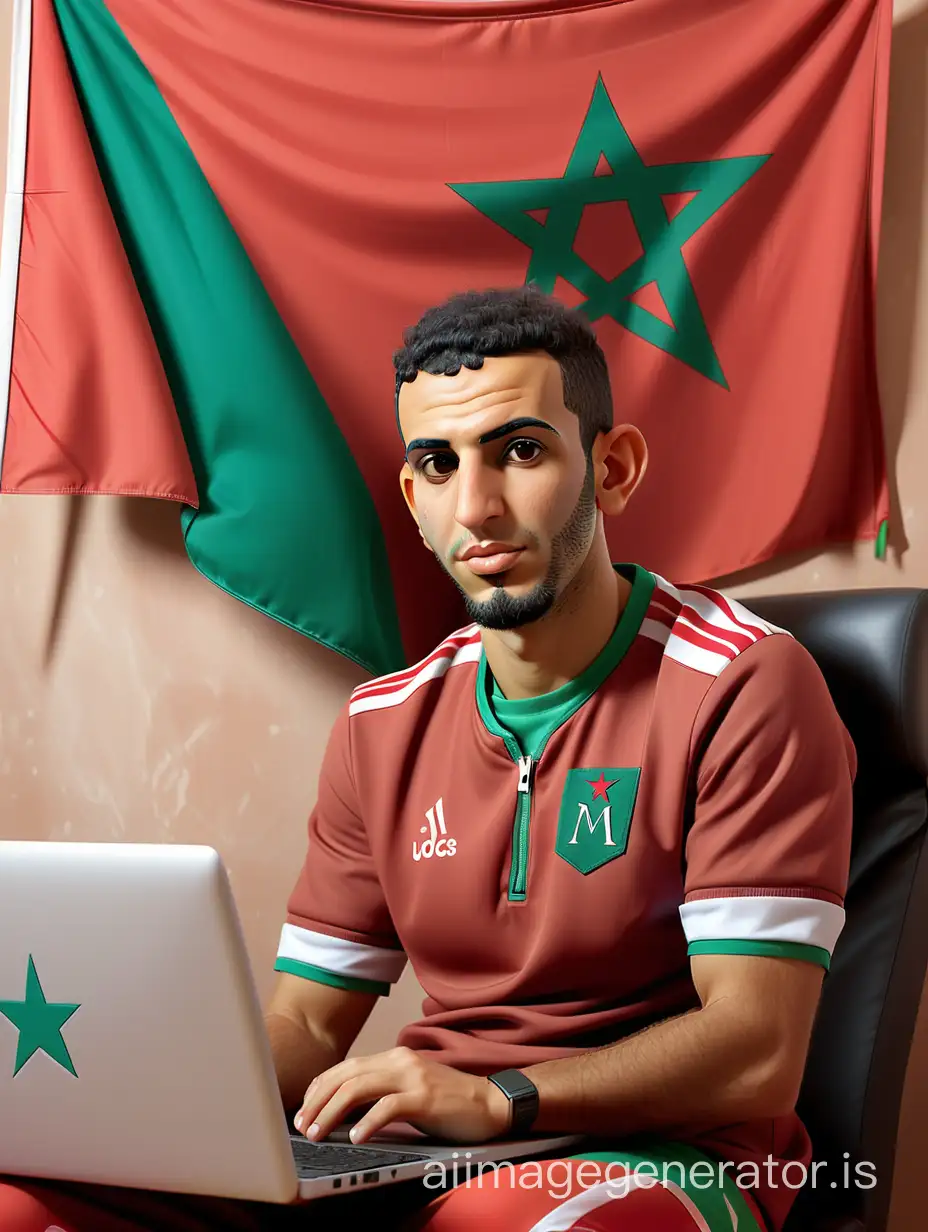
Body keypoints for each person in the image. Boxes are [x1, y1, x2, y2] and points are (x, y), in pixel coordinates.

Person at [1, 287, 855, 1232]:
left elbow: (757, 1048)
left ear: (611, 468)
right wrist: (150, 1115)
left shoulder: (743, 685)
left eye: (521, 451)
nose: (478, 508)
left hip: (668, 1157)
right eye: (437, 466)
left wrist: (502, 1101)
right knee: (25, 1207)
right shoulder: (384, 722)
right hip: (420, 1153)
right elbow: (308, 1026)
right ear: (412, 498)